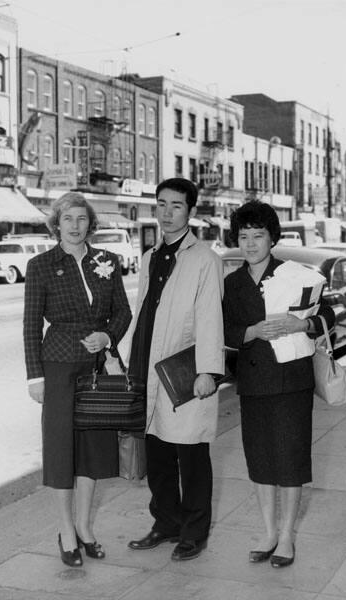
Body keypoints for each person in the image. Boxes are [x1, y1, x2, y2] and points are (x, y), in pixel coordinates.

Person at [223, 200, 335, 568]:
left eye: (259, 236)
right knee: (260, 459)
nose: (251, 243)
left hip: (292, 381)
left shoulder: (294, 274)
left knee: (290, 459)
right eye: (244, 236)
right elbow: (222, 329)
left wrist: (301, 325)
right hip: (253, 382)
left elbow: (327, 314)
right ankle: (268, 531)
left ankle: (287, 535)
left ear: (273, 239)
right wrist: (251, 331)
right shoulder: (232, 283)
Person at [23, 192, 131, 567]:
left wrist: (107, 337)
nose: (74, 225)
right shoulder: (40, 265)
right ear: (57, 223)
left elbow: (123, 311)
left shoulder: (108, 261)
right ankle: (66, 530)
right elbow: (30, 324)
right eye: (67, 218)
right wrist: (34, 377)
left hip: (97, 367)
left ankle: (85, 528)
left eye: (81, 219)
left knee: (93, 450)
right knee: (61, 449)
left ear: (90, 224)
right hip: (58, 368)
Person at [127, 178, 224, 561]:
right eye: (161, 204)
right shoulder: (152, 256)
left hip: (184, 370)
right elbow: (144, 310)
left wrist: (208, 371)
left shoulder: (205, 259)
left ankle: (194, 532)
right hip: (148, 365)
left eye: (176, 206)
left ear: (191, 211)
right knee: (158, 453)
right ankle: (165, 522)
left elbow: (209, 318)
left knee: (192, 455)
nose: (166, 214)